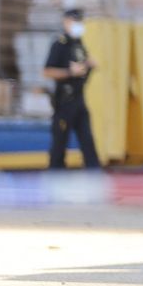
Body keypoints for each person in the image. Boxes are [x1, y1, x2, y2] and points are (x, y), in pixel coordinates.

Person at [42, 9, 100, 169]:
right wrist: (69, 72)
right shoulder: (59, 44)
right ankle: (55, 175)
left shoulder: (79, 44)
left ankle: (96, 177)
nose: (79, 25)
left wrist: (89, 65)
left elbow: (83, 66)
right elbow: (47, 71)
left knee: (88, 141)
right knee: (60, 144)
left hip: (79, 100)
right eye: (76, 21)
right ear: (66, 22)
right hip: (64, 101)